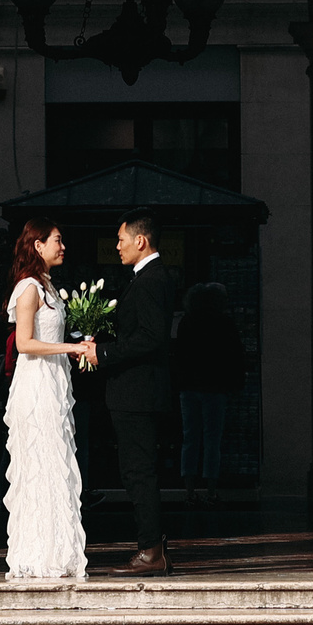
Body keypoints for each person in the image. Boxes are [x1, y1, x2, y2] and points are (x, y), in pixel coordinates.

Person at [1, 218, 97, 580]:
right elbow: (25, 342)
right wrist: (70, 347)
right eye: (57, 240)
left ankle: (59, 550)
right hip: (37, 384)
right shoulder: (28, 288)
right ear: (38, 245)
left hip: (54, 382)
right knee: (40, 463)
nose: (63, 246)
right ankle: (37, 554)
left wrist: (75, 342)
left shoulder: (48, 287)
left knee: (57, 464)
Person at [95, 212, 184, 575]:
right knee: (136, 471)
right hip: (136, 392)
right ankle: (153, 546)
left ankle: (151, 551)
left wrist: (103, 353)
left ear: (140, 241)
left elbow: (151, 338)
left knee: (138, 472)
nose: (116, 246)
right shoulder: (148, 277)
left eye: (121, 239)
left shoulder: (150, 279)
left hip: (138, 393)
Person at [174, 282, 245, 504]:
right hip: (214, 386)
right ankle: (211, 489)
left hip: (190, 386)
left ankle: (189, 489)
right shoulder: (223, 323)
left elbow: (179, 355)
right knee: (212, 439)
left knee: (190, 437)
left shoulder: (187, 322)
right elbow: (234, 354)